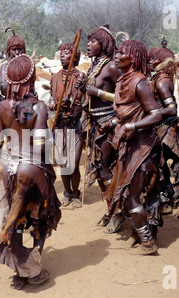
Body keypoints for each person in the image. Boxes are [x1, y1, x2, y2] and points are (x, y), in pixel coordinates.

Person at [0, 54, 61, 290]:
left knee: (15, 218)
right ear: (31, 80)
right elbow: (40, 145)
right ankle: (32, 271)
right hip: (31, 168)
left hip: (6, 166)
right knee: (42, 217)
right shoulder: (39, 106)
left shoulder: (2, 106)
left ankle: (20, 272)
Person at [104, 40, 163, 255]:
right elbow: (124, 113)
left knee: (131, 196)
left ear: (133, 58)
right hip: (129, 143)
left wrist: (130, 125)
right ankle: (139, 235)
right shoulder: (122, 80)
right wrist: (111, 123)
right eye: (116, 52)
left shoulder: (139, 83)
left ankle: (148, 242)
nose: (116, 56)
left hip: (144, 145)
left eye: (121, 53)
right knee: (125, 193)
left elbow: (155, 115)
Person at [76, 25, 122, 233]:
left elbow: (125, 98)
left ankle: (118, 211)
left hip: (108, 125)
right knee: (98, 168)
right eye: (88, 40)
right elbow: (90, 92)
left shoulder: (112, 66)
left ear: (103, 44)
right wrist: (82, 87)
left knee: (105, 169)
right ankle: (111, 209)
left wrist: (97, 93)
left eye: (93, 40)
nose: (88, 44)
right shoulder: (94, 65)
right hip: (94, 123)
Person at [50, 43, 85, 208]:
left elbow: (85, 102)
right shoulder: (55, 77)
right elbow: (52, 100)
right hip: (59, 125)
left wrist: (73, 102)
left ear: (75, 57)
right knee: (63, 163)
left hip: (75, 125)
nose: (62, 56)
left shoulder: (81, 77)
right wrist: (53, 105)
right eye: (61, 53)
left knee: (74, 163)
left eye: (67, 53)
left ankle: (76, 193)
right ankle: (66, 192)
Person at [148, 47, 179, 214]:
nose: (149, 61)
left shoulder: (161, 81)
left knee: (160, 165)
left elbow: (172, 109)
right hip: (161, 126)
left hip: (164, 128)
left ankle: (166, 201)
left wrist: (151, 113)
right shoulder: (160, 78)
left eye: (152, 59)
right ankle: (167, 198)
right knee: (161, 166)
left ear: (161, 62)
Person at [0, 32, 26, 97]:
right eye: (14, 50)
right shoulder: (5, 66)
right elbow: (3, 90)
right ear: (9, 51)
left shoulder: (29, 66)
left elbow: (32, 89)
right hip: (10, 99)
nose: (17, 52)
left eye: (20, 49)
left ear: (24, 50)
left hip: (27, 99)